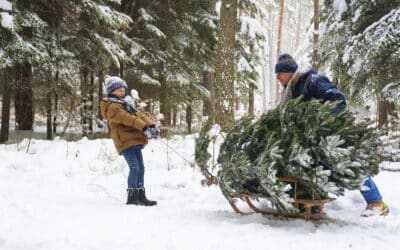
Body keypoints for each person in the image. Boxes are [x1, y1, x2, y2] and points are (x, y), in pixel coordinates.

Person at [274, 53, 389, 216]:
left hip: (331, 134)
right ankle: (309, 202)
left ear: (290, 71)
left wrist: (326, 121)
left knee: (349, 164)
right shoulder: (291, 90)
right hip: (309, 137)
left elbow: (337, 99)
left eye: (280, 73)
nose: (277, 77)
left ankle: (377, 203)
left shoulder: (312, 80)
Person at [100, 76, 159, 206]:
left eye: (123, 90)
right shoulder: (112, 107)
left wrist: (151, 125)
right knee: (134, 167)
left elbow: (139, 115)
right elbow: (128, 119)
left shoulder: (127, 103)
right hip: (125, 141)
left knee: (141, 168)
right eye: (119, 90)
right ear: (111, 91)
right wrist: (143, 127)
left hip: (135, 140)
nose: (122, 92)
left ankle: (141, 195)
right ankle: (132, 197)